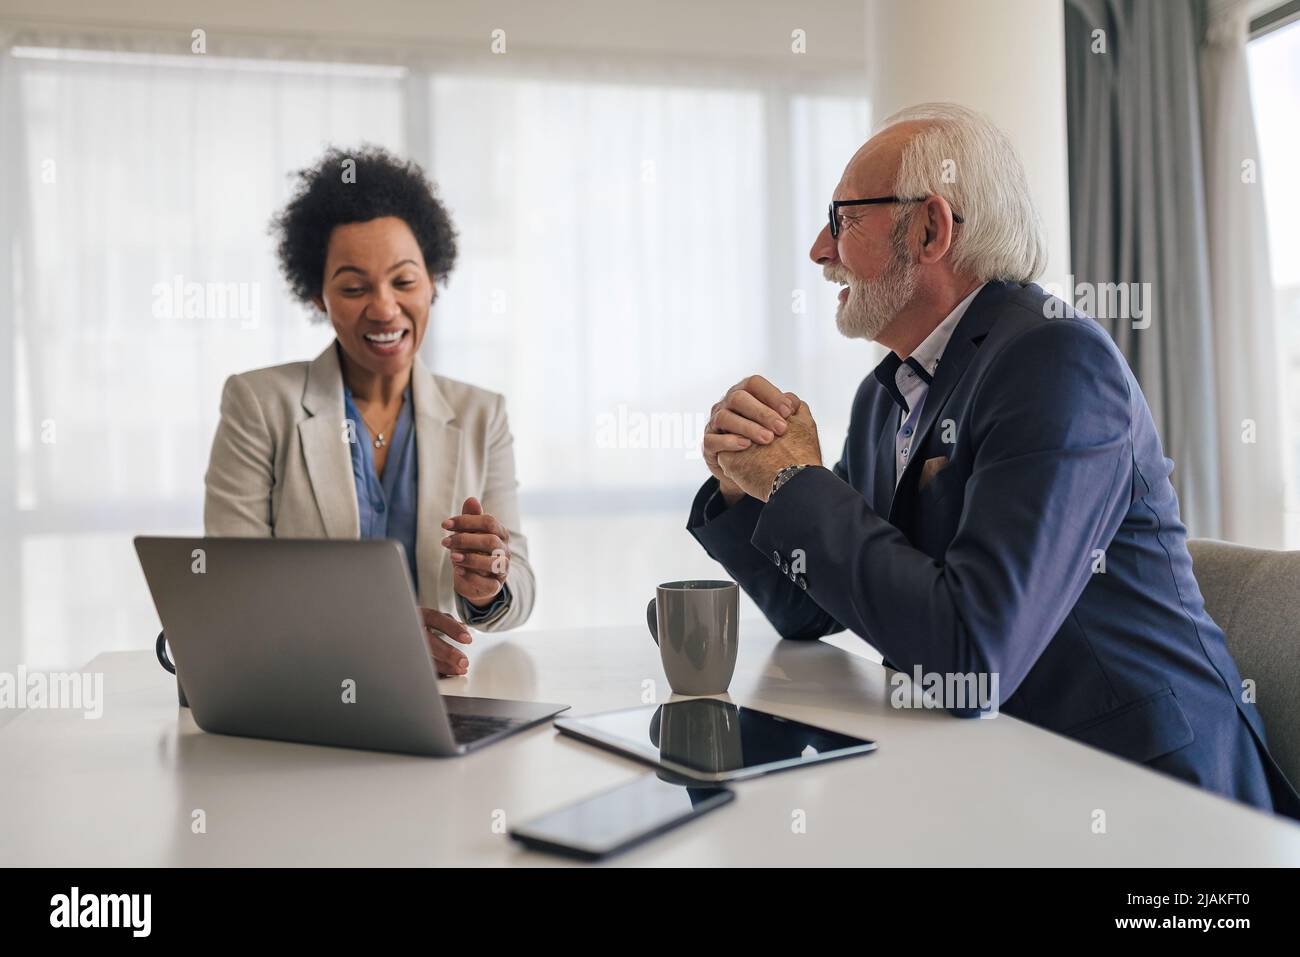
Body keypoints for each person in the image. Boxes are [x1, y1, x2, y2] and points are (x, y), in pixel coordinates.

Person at [687, 102, 1300, 819]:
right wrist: (744, 486)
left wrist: (797, 481)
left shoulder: (1055, 360)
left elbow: (973, 659)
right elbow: (809, 605)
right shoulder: (886, 391)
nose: (821, 248)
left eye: (843, 217)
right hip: (1000, 774)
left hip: (1154, 801)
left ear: (930, 228)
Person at [204, 146, 533, 677]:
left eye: (404, 281)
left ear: (433, 282)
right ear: (318, 296)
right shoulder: (258, 404)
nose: (383, 308)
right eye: (354, 287)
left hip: (445, 701)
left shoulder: (481, 414)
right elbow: (231, 585)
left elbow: (520, 586)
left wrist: (487, 587)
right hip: (307, 691)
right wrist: (374, 641)